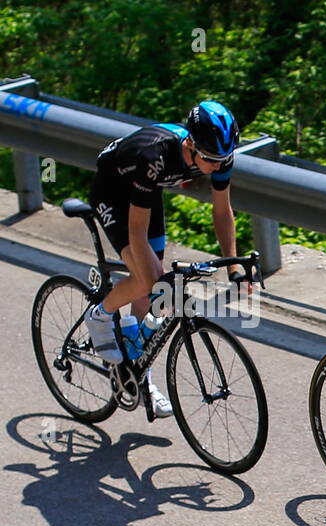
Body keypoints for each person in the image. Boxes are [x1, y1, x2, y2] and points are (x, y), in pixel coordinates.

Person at [82, 101, 244, 416]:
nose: (216, 165)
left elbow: (222, 211)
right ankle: (100, 315)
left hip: (148, 193)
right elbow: (137, 233)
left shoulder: (219, 155)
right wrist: (156, 281)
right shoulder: (154, 157)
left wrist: (234, 265)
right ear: (190, 144)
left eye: (222, 159)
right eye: (210, 159)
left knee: (154, 291)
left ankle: (140, 377)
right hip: (113, 192)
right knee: (149, 281)